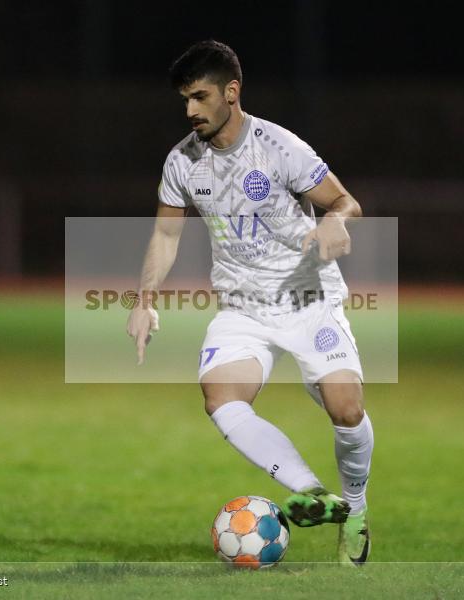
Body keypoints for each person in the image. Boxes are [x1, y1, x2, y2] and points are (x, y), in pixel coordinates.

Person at [126, 40, 373, 565]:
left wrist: (334, 221)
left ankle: (355, 510)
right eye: (185, 99)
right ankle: (311, 492)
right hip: (243, 306)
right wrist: (144, 300)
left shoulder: (279, 148)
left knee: (346, 409)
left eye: (200, 97)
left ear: (231, 93)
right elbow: (166, 236)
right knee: (221, 397)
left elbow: (344, 200)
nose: (190, 110)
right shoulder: (182, 162)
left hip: (308, 297)